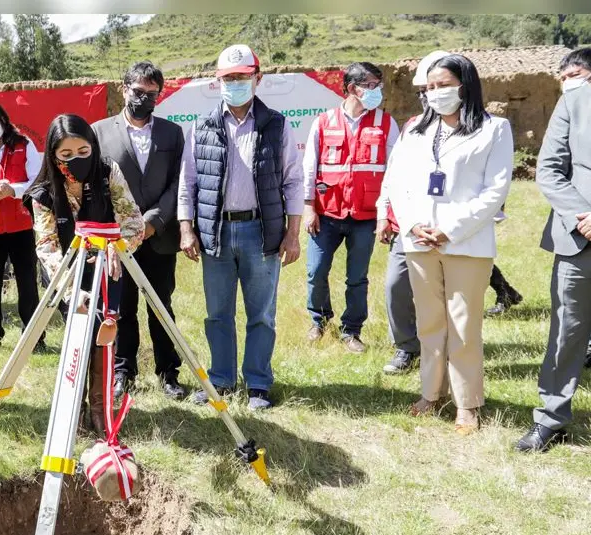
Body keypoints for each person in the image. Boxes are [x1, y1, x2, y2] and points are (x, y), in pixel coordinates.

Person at [386, 54, 513, 435]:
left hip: (466, 243)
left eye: (444, 85)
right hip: (419, 240)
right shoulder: (415, 131)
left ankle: (468, 403)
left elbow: (495, 190)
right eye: (431, 87)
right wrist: (412, 224)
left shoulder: (494, 129)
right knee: (430, 323)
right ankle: (431, 393)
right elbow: (396, 182)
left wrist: (450, 229)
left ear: (465, 85)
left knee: (463, 325)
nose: (436, 93)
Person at [178, 44, 303, 412]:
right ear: (218, 82)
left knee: (261, 313)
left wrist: (292, 233)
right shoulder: (202, 127)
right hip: (216, 232)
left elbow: (294, 182)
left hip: (260, 231)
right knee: (217, 313)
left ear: (257, 79)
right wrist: (187, 229)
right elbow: (188, 184)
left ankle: (258, 384)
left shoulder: (276, 124)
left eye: (242, 77)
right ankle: (220, 379)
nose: (235, 83)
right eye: (228, 78)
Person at [28, 113, 145, 435]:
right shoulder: (43, 194)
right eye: (66, 155)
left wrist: (118, 245)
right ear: (53, 155)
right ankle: (73, 406)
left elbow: (133, 220)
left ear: (93, 148)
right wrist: (69, 289)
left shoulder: (108, 173)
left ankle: (100, 407)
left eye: (83, 152)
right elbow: (47, 245)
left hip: (110, 268)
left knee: (104, 338)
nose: (76, 160)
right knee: (77, 338)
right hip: (68, 275)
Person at [92, 61, 187, 400]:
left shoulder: (172, 134)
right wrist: (125, 228)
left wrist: (152, 222)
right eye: (138, 92)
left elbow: (178, 184)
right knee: (122, 307)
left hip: (159, 237)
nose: (144, 98)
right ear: (123, 89)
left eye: (152, 94)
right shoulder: (99, 133)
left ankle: (169, 372)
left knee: (162, 305)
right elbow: (96, 186)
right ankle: (123, 370)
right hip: (118, 240)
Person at [516, 47, 591, 452]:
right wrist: (584, 215)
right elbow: (548, 170)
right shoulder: (573, 103)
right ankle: (551, 419)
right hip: (581, 239)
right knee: (567, 332)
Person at [303, 61, 399, 354]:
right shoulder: (323, 121)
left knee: (357, 277)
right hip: (327, 213)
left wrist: (387, 216)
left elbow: (395, 171)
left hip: (365, 216)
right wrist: (308, 207)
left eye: (378, 85)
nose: (375, 91)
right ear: (351, 88)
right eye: (369, 85)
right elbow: (309, 167)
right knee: (316, 271)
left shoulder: (386, 123)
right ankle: (319, 320)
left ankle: (352, 331)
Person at [376, 50, 448, 375]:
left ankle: (445, 353)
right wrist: (383, 215)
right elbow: (393, 175)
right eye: (421, 92)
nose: (425, 98)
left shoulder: (476, 127)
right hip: (408, 227)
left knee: (444, 296)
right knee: (396, 286)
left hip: (449, 230)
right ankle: (407, 347)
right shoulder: (411, 127)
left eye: (430, 90)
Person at [0, 99, 45, 351]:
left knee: (27, 283)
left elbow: (38, 181)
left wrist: (12, 190)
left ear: (3, 118)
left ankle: (34, 338)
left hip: (22, 225)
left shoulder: (24, 144)